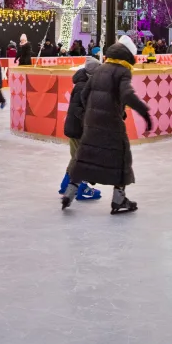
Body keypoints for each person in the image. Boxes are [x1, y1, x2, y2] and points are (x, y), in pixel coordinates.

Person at [61, 36, 152, 214]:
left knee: (84, 155)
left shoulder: (101, 68)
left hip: (91, 121)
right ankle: (119, 199)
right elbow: (127, 94)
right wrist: (144, 112)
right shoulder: (122, 71)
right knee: (122, 156)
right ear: (128, 56)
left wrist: (91, 112)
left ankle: (70, 193)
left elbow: (84, 94)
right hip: (111, 122)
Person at [58, 53, 103, 202]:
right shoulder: (83, 87)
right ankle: (81, 189)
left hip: (75, 128)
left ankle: (66, 184)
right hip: (79, 130)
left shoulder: (83, 84)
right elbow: (78, 109)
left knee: (76, 157)